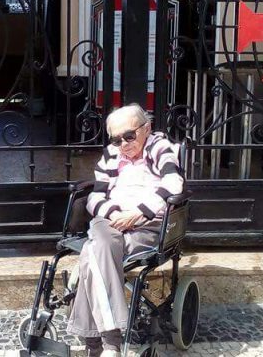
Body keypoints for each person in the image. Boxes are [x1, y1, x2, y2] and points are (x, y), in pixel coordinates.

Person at [66, 103, 185, 357]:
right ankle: (111, 343)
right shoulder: (111, 155)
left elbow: (174, 183)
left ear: (146, 128)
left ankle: (97, 345)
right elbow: (95, 197)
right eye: (116, 139)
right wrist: (114, 214)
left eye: (129, 136)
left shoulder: (159, 148)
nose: (123, 144)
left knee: (92, 254)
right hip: (110, 222)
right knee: (101, 245)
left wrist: (139, 213)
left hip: (147, 224)